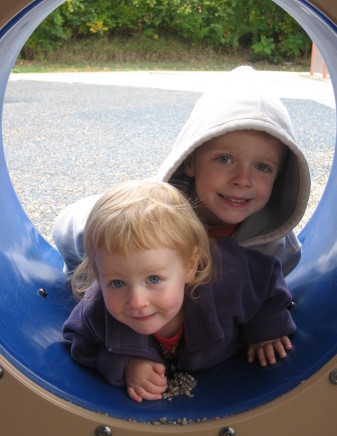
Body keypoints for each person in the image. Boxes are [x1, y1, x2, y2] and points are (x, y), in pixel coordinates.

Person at [53, 67, 311, 277]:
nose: (243, 180)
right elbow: (73, 223)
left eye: (262, 167)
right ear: (190, 161)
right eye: (224, 159)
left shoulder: (276, 248)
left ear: (279, 176)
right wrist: (87, 275)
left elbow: (271, 295)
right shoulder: (149, 213)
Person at [63, 180, 296, 403]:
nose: (136, 301)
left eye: (154, 279)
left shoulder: (227, 278)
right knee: (72, 227)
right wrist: (124, 364)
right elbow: (78, 338)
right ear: (98, 274)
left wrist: (267, 328)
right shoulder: (98, 306)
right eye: (117, 283)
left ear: (190, 266)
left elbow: (267, 278)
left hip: (228, 389)